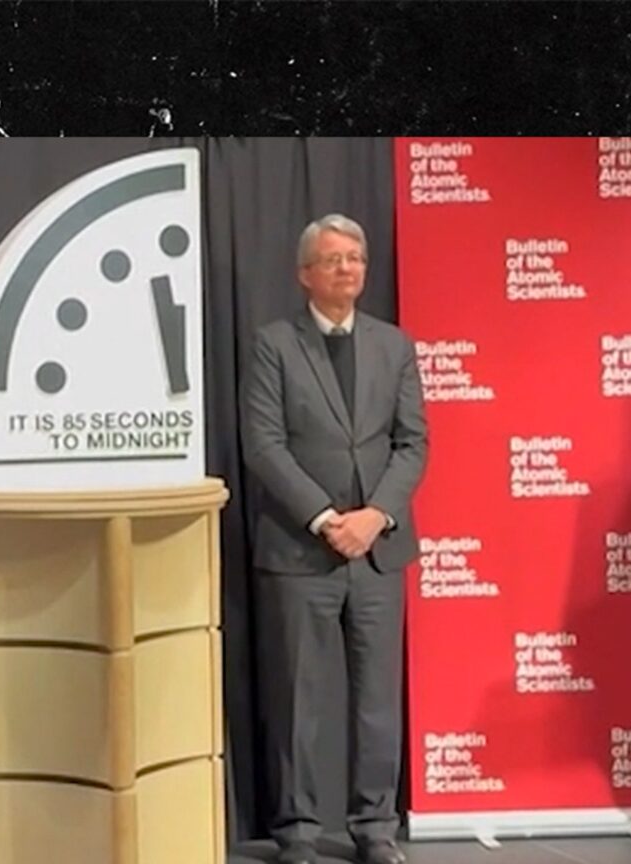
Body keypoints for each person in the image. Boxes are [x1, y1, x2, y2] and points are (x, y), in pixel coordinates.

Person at [242, 214, 428, 864]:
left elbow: (412, 442)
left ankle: (375, 826)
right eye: (333, 259)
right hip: (301, 550)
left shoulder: (394, 346)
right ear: (305, 274)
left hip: (377, 551)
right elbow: (263, 444)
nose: (347, 268)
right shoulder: (273, 345)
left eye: (355, 258)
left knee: (377, 700)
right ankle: (297, 830)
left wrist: (376, 515)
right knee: (298, 698)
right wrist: (325, 518)